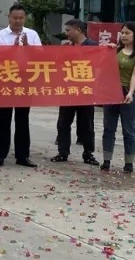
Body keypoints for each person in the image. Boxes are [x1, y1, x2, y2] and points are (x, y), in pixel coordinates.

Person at [0, 5, 39, 168]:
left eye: (21, 18)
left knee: (22, 118)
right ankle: (0, 154)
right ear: (9, 17)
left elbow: (41, 56)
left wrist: (28, 48)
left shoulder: (32, 34)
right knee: (2, 118)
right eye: (15, 18)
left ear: (25, 18)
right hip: (5, 79)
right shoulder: (0, 36)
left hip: (25, 80)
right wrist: (12, 48)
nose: (18, 21)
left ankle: (22, 156)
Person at [52, 19, 100, 166]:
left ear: (78, 30)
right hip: (68, 91)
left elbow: (99, 65)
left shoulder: (93, 46)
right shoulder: (66, 48)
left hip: (86, 91)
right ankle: (63, 152)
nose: (66, 33)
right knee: (63, 123)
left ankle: (88, 153)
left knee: (87, 124)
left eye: (68, 30)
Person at [102, 21, 135, 173]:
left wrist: (130, 92)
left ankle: (129, 163)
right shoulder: (116, 50)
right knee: (109, 128)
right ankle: (106, 161)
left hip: (128, 93)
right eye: (122, 33)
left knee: (129, 130)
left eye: (128, 33)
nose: (124, 35)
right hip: (111, 92)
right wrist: (107, 51)